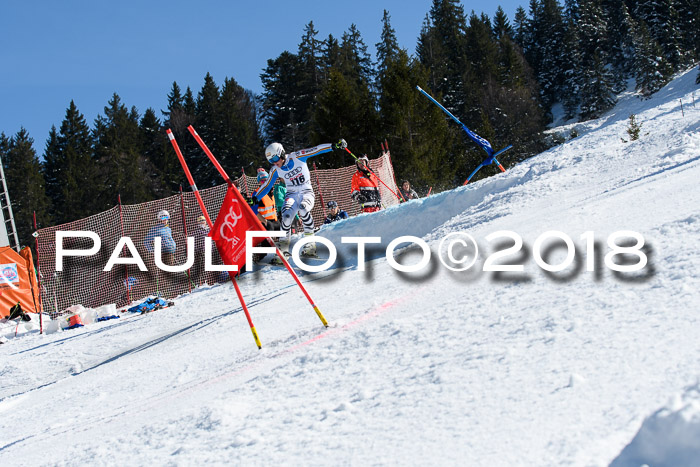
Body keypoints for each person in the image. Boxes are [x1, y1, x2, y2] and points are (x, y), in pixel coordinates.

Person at [252, 139, 347, 258]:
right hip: (291, 195)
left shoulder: (297, 157)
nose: (274, 163)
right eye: (271, 161)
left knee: (303, 209)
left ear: (281, 153)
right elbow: (266, 186)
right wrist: (255, 198)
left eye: (275, 159)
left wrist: (333, 146)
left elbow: (316, 150)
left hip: (306, 192)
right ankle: (283, 250)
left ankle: (310, 245)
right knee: (286, 216)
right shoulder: (275, 169)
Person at [191, 215, 210, 284]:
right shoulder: (197, 231)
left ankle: (209, 280)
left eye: (203, 220)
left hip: (209, 250)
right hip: (201, 250)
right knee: (202, 266)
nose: (202, 222)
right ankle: (201, 281)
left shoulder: (209, 228)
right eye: (200, 221)